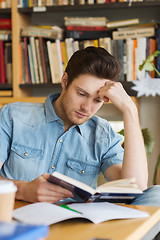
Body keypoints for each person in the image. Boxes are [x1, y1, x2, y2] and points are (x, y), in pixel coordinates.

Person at [0, 46, 159, 206]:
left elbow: (136, 188)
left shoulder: (103, 135)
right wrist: (22, 190)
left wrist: (129, 109)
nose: (87, 108)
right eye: (81, 94)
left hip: (75, 225)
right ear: (65, 81)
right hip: (17, 220)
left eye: (97, 100)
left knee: (156, 194)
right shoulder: (13, 116)